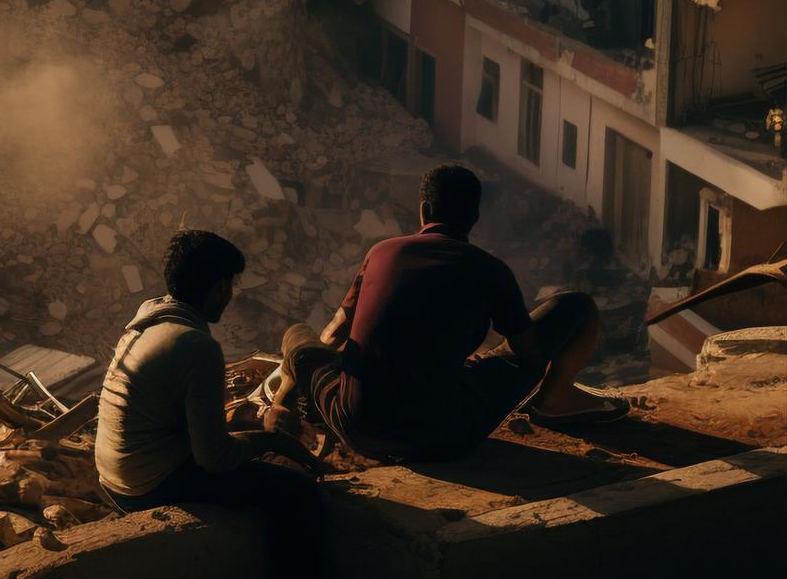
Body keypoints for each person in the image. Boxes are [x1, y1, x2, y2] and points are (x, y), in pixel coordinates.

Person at [269, 164, 627, 464]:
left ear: (424, 209)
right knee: (575, 306)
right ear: (474, 217)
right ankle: (556, 399)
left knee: (298, 338)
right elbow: (528, 356)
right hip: (448, 436)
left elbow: (333, 335)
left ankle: (285, 400)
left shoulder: (382, 253)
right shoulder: (491, 270)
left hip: (359, 427)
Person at [97, 229, 324, 579]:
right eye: (231, 286)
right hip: (149, 485)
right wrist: (272, 442)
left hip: (113, 477)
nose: (230, 296)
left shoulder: (149, 320)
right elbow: (213, 458)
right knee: (298, 492)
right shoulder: (195, 344)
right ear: (219, 288)